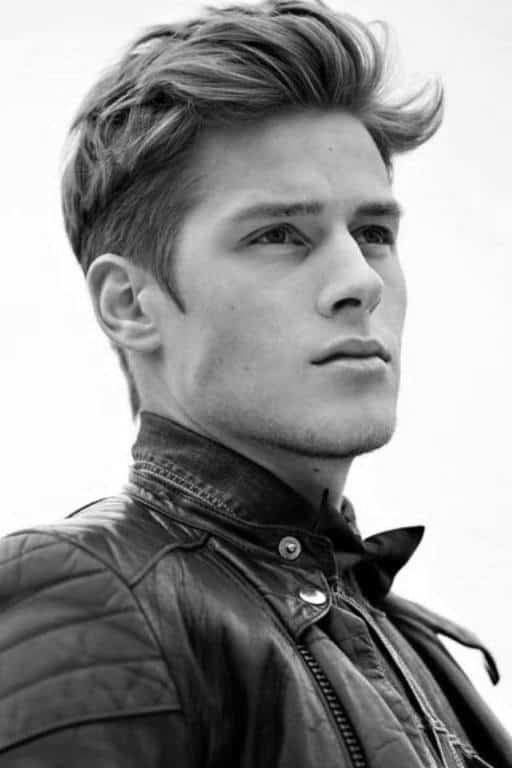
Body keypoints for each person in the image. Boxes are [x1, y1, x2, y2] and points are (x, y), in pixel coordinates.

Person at [0, 0, 510, 765]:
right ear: (130, 303)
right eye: (278, 235)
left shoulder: (408, 640)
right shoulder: (88, 596)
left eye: (374, 233)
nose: (360, 281)